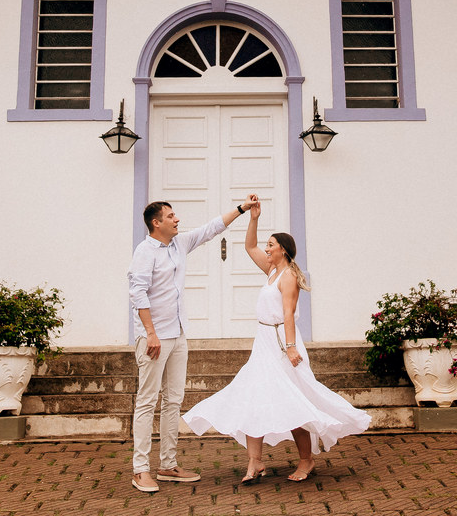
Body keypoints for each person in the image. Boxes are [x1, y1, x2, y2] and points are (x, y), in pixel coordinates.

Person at [182, 200, 371, 483]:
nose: (266, 249)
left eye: (271, 245)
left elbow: (288, 314)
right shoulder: (271, 270)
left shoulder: (289, 276)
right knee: (254, 397)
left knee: (292, 400)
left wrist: (291, 348)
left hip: (282, 343)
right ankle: (255, 461)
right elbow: (249, 246)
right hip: (263, 343)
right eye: (267, 245)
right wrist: (253, 218)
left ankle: (306, 460)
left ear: (283, 249)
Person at [127, 194, 257, 494]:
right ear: (156, 223)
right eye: (171, 216)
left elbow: (211, 228)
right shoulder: (145, 252)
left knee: (173, 400)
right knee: (147, 401)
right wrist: (150, 333)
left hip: (178, 333)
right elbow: (138, 293)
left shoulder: (179, 244)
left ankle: (168, 464)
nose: (177, 219)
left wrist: (242, 208)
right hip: (153, 337)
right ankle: (140, 470)